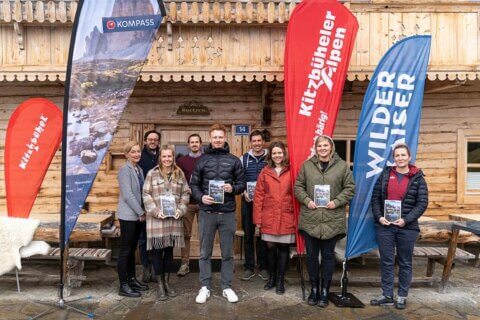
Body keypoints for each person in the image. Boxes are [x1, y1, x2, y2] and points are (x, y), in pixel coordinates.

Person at [294, 135, 355, 308]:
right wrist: (307, 201)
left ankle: (325, 291)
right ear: (316, 148)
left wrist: (336, 201)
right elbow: (298, 186)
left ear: (331, 147)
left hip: (332, 219)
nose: (322, 148)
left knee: (328, 256)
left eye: (325, 145)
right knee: (312, 256)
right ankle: (314, 288)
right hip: (311, 218)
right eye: (319, 145)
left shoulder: (342, 166)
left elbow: (350, 188)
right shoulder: (307, 166)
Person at [190, 123, 246, 304]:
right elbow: (194, 185)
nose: (217, 140)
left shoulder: (234, 160)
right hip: (207, 212)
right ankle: (205, 286)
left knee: (227, 253)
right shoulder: (202, 160)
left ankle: (226, 286)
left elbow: (242, 184)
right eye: (215, 137)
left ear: (225, 138)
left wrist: (233, 188)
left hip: (227, 214)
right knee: (204, 252)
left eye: (220, 137)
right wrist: (201, 198)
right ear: (210, 138)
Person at [370, 143, 428, 310]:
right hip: (386, 227)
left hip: (407, 228)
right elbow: (375, 199)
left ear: (409, 157)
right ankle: (387, 295)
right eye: (397, 155)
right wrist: (380, 217)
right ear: (393, 158)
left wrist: (406, 220)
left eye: (403, 155)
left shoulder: (417, 177)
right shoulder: (386, 174)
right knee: (386, 261)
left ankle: (402, 296)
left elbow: (422, 203)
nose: (400, 158)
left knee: (405, 262)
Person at [143, 145, 190, 301]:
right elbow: (146, 195)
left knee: (169, 252)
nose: (167, 159)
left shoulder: (179, 173)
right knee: (157, 252)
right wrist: (156, 211)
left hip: (173, 219)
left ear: (173, 157)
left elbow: (185, 193)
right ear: (160, 158)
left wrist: (181, 209)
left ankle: (167, 282)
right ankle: (160, 285)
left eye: (170, 156)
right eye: (164, 156)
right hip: (157, 220)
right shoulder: (152, 173)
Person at [253, 141, 295, 294]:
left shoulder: (292, 171)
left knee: (284, 248)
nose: (277, 155)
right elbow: (258, 196)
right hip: (269, 215)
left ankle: (280, 280)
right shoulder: (265, 172)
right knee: (270, 248)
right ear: (270, 155)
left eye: (280, 152)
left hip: (286, 215)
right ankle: (271, 278)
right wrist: (257, 219)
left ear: (284, 154)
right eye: (274, 153)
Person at [117, 141, 149, 297]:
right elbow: (128, 195)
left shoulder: (139, 169)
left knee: (132, 250)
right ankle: (123, 285)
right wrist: (141, 212)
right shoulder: (125, 170)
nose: (137, 154)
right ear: (126, 154)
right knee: (125, 251)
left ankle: (131, 279)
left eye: (138, 151)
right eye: (133, 152)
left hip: (137, 217)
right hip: (128, 216)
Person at [240, 130, 268, 281]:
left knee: (264, 235)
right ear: (250, 142)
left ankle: (264, 267)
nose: (256, 143)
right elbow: (239, 179)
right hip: (248, 202)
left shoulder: (269, 158)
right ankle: (249, 267)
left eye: (259, 140)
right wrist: (243, 192)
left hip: (266, 204)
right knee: (249, 235)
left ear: (263, 141)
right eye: (254, 141)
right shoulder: (243, 159)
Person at [176, 133, 204, 276]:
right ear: (188, 145)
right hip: (187, 203)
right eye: (191, 142)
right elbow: (177, 180)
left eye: (196, 142)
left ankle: (204, 264)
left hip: (204, 203)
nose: (194, 144)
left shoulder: (206, 159)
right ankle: (184, 264)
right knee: (185, 235)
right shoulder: (181, 161)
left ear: (201, 144)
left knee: (205, 235)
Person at [138, 130, 161, 283]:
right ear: (145, 141)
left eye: (155, 139)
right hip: (144, 203)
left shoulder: (162, 156)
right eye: (150, 139)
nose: (153, 141)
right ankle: (146, 268)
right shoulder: (140, 157)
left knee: (157, 237)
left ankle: (156, 269)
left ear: (158, 142)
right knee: (143, 238)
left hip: (160, 205)